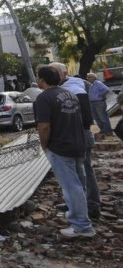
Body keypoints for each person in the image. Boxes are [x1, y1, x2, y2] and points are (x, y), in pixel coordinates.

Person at [34, 65, 94, 237]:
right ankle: (79, 215)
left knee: (71, 187)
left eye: (38, 77)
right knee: (79, 184)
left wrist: (44, 145)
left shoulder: (44, 98)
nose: (37, 80)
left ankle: (82, 226)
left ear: (42, 80)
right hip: (77, 145)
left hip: (60, 147)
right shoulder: (70, 94)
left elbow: (44, 126)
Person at [51, 62, 100, 219]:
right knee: (73, 172)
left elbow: (86, 119)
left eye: (53, 73)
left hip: (81, 135)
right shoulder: (64, 89)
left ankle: (92, 205)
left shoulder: (76, 90)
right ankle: (76, 203)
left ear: (64, 74)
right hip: (71, 136)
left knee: (85, 170)